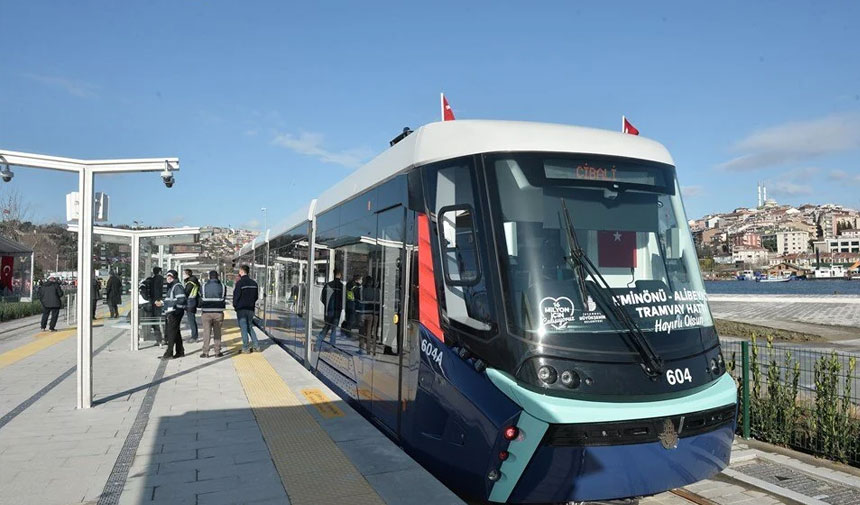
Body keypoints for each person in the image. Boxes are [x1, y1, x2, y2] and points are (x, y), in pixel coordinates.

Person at [159, 269, 186, 360]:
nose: (168, 278)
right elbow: (170, 299)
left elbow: (181, 299)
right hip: (173, 311)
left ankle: (169, 353)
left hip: (174, 312)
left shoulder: (176, 286)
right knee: (176, 332)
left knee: (171, 333)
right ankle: (180, 351)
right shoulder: (172, 286)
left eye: (170, 276)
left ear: (174, 277)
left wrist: (174, 309)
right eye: (167, 276)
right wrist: (163, 303)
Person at [233, 265, 260, 353]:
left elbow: (236, 296)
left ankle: (245, 348)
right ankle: (257, 346)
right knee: (249, 327)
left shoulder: (240, 283)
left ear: (241, 271)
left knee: (244, 328)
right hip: (251, 309)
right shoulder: (254, 283)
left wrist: (235, 306)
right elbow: (256, 297)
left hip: (241, 309)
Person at [199, 270, 226, 358]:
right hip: (218, 312)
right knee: (217, 332)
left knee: (206, 332)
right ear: (217, 276)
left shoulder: (203, 286)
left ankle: (205, 352)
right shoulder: (223, 286)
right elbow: (224, 297)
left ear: (209, 277)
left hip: (206, 312)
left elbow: (201, 297)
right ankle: (217, 352)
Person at [319, 269, 344, 347]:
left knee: (326, 327)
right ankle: (332, 345)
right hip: (337, 311)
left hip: (328, 310)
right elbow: (343, 300)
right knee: (334, 328)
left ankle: (318, 343)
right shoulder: (342, 286)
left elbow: (322, 298)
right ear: (340, 275)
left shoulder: (328, 285)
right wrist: (341, 307)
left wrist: (327, 305)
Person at [183, 269, 201, 342]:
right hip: (192, 301)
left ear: (187, 274)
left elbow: (186, 292)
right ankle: (194, 335)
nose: (183, 275)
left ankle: (194, 336)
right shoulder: (193, 281)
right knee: (192, 319)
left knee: (191, 320)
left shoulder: (190, 282)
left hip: (190, 302)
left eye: (184, 274)